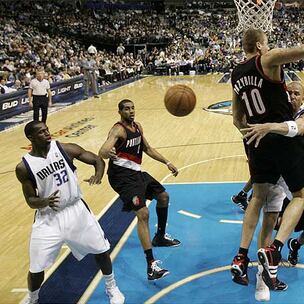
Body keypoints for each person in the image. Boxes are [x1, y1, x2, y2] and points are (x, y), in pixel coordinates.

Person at [230, 3, 304, 292]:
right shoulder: (269, 58)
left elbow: (237, 117)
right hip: (281, 136)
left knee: (258, 197)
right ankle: (275, 248)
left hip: (257, 142)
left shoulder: (236, 73)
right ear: (261, 45)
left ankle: (241, 256)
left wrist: (252, 133)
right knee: (301, 194)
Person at [15, 121, 124, 304]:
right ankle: (32, 298)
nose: (47, 133)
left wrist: (98, 174)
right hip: (48, 218)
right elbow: (30, 200)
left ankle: (111, 287)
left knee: (101, 250)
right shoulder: (24, 167)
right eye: (41, 132)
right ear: (31, 138)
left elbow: (97, 160)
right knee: (36, 267)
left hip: (76, 211)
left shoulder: (65, 149)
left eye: (47, 129)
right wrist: (45, 201)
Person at [99, 99, 181, 281]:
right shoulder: (118, 129)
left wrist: (167, 162)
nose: (131, 111)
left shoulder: (138, 127)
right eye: (127, 109)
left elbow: (148, 148)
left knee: (163, 196)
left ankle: (159, 237)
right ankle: (151, 265)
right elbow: (103, 150)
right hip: (121, 176)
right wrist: (107, 152)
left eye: (133, 108)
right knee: (142, 213)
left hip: (135, 173)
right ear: (120, 112)